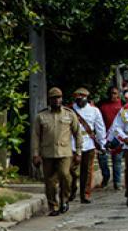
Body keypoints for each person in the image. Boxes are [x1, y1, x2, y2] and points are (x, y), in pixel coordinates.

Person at [32, 87, 82, 216]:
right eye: (54, 98)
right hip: (48, 153)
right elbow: (36, 136)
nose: (57, 100)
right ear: (49, 100)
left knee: (65, 175)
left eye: (59, 97)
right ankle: (53, 205)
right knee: (50, 181)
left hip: (64, 152)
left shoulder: (69, 114)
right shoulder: (41, 116)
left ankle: (64, 200)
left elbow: (78, 134)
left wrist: (78, 152)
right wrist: (36, 154)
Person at [69, 87, 106, 204]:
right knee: (69, 170)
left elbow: (100, 128)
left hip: (88, 143)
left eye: (82, 98)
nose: (79, 101)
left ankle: (85, 194)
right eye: (77, 99)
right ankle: (71, 189)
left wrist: (102, 144)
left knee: (87, 171)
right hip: (72, 143)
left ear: (86, 98)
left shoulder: (94, 111)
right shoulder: (69, 110)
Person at [98, 86, 124, 190]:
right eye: (111, 93)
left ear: (118, 94)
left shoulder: (123, 106)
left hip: (118, 137)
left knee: (117, 160)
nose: (112, 95)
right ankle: (106, 176)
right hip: (105, 137)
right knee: (102, 158)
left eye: (115, 93)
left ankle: (117, 182)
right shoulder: (102, 106)